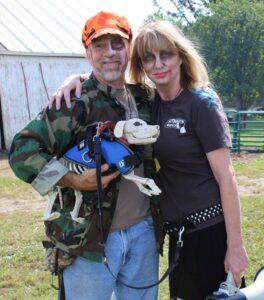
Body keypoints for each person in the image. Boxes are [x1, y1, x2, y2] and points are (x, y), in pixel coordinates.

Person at [52, 20, 249, 300]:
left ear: (180, 55)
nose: (158, 64)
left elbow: (226, 177)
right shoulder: (148, 102)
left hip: (209, 232)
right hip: (177, 234)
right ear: (141, 64)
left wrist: (236, 246)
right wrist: (79, 78)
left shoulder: (201, 103)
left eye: (166, 54)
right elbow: (109, 81)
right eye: (148, 58)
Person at [9, 11, 163, 300]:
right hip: (89, 242)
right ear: (88, 53)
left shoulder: (146, 97)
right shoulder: (73, 102)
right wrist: (72, 180)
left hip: (143, 231)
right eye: (99, 46)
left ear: (129, 48)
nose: (109, 54)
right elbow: (21, 150)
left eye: (117, 45)